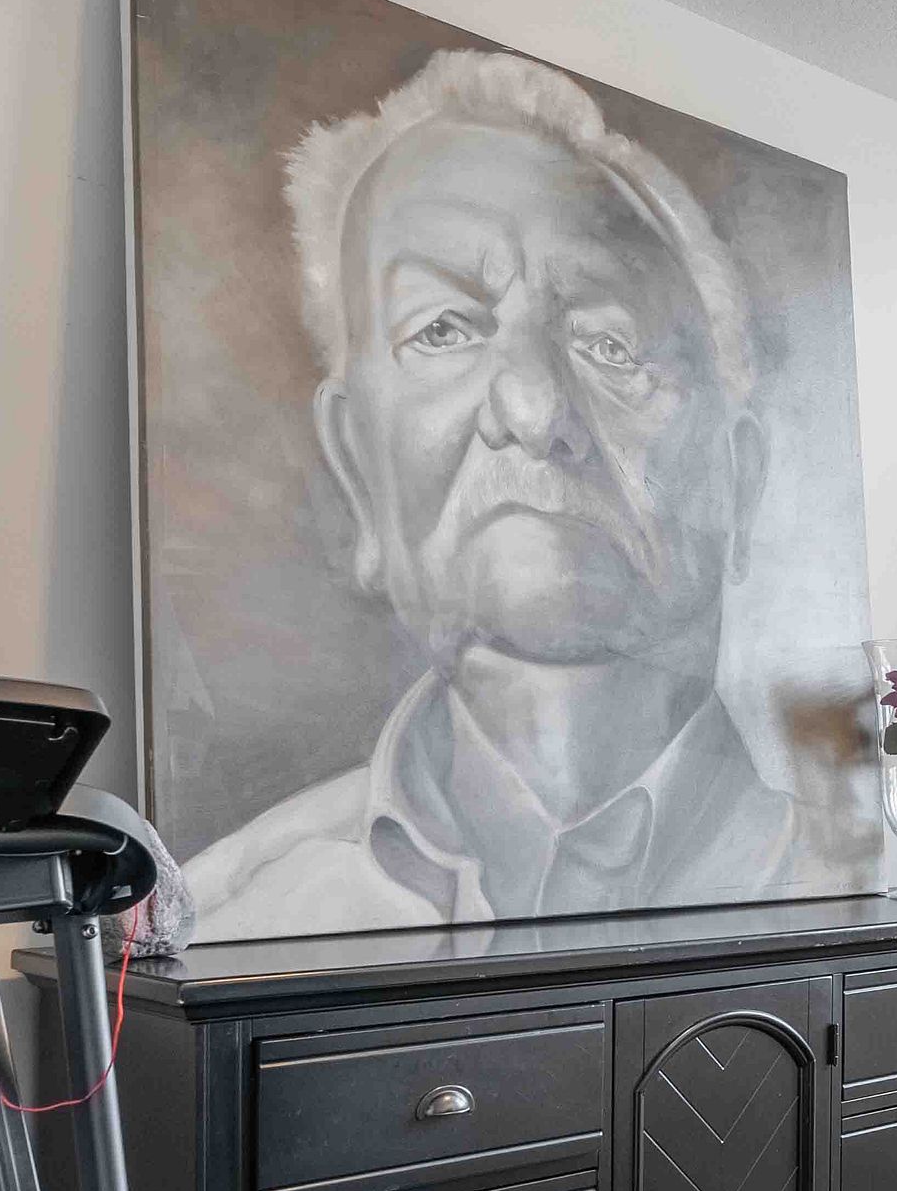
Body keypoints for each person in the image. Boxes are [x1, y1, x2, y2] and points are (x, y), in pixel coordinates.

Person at [182, 50, 813, 936]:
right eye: (441, 329)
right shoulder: (229, 925)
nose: (533, 406)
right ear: (358, 468)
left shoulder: (845, 878)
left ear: (736, 481)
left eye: (611, 345)